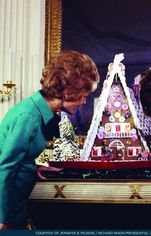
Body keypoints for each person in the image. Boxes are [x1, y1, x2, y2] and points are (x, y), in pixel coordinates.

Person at [0, 50, 100, 229]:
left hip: (16, 203)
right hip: (6, 209)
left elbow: (19, 159)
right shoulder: (28, 116)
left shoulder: (38, 112)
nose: (84, 102)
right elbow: (5, 168)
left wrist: (34, 167)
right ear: (69, 92)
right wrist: (3, 217)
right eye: (84, 95)